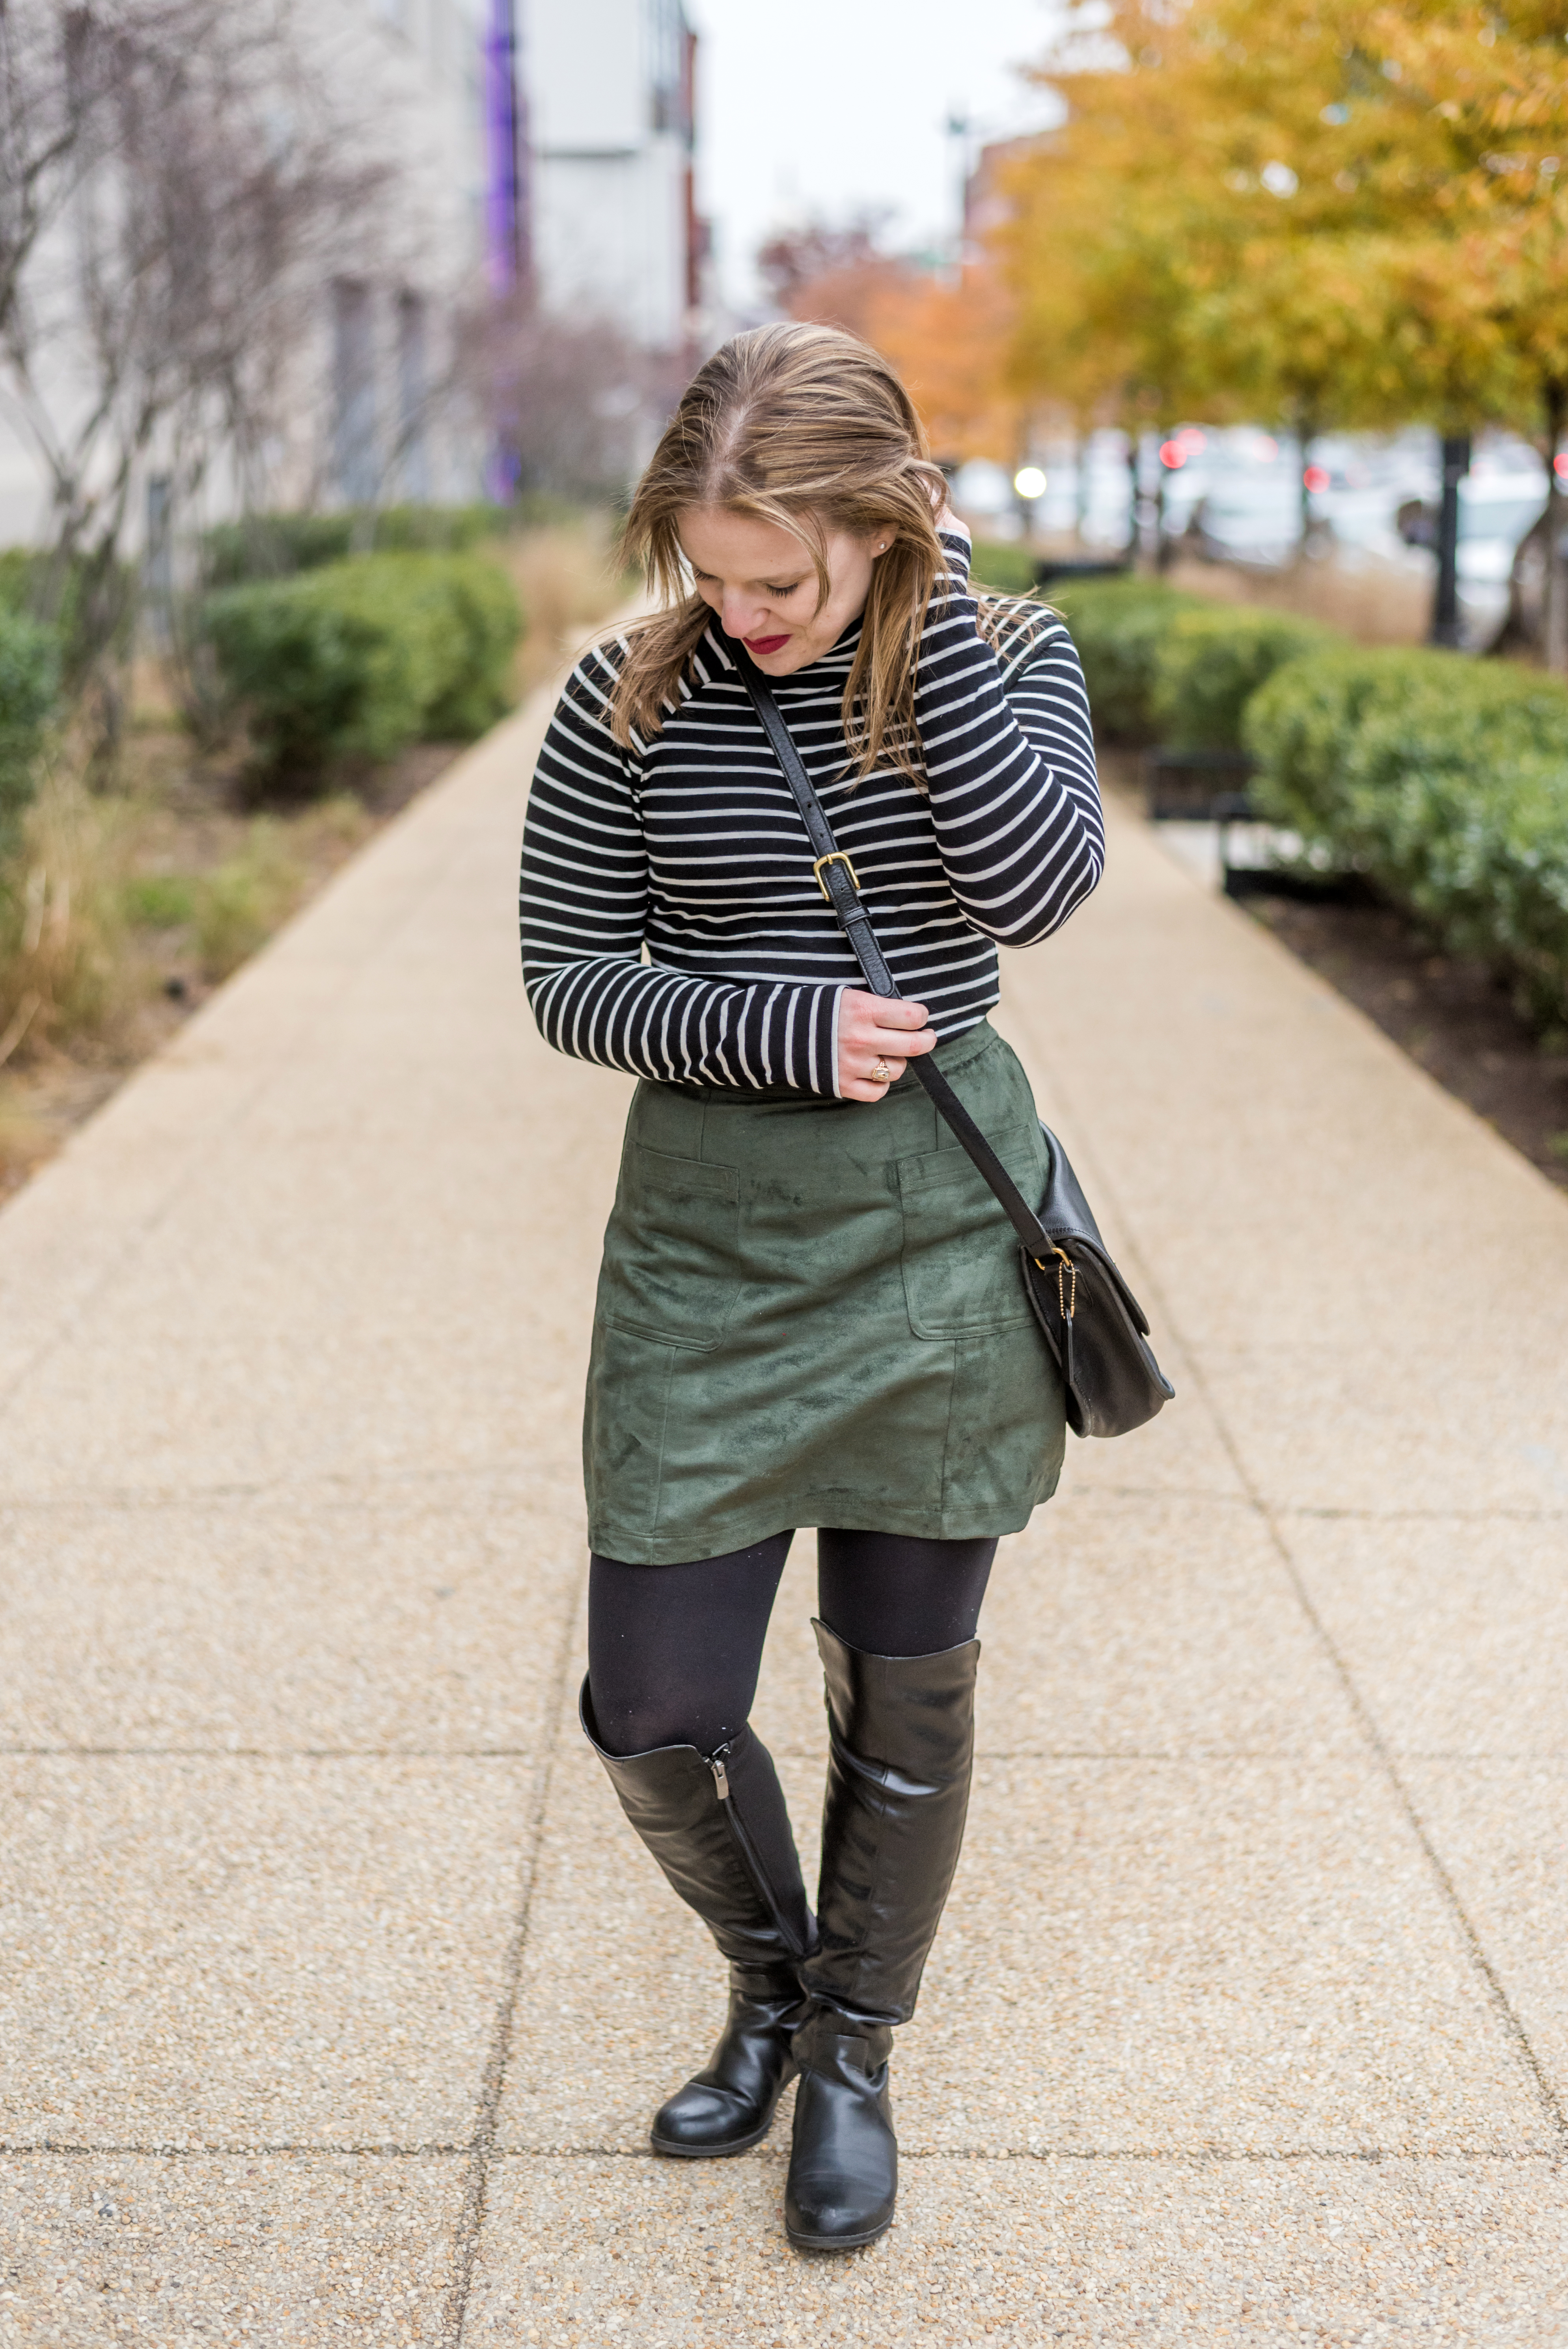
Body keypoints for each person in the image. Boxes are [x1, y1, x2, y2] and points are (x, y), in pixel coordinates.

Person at [519, 322, 1103, 2252]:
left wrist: (917, 619)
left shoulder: (1007, 660)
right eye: (711, 570)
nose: (741, 607)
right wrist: (777, 1021)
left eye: (787, 574)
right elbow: (568, 975)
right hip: (707, 1237)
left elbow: (1036, 892)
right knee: (649, 1699)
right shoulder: (621, 699)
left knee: (903, 1692)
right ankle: (769, 1977)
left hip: (938, 1225)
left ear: (884, 522)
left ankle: (848, 2048)